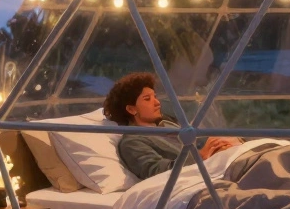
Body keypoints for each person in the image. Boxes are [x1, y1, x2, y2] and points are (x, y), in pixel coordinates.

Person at [104, 72, 243, 180]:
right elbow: (157, 172)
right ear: (131, 109)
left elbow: (200, 143)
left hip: (223, 163)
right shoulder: (132, 142)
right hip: (205, 175)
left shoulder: (168, 125)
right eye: (147, 99)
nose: (157, 103)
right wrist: (199, 156)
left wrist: (221, 145)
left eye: (155, 97)